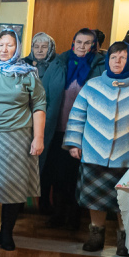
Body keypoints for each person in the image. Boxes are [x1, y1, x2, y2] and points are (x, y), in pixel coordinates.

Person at [64, 42, 129, 253]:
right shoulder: (92, 85)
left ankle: (124, 241)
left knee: (126, 200)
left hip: (128, 157)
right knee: (94, 199)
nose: (117, 61)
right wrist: (73, 143)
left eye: (122, 57)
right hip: (93, 153)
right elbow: (77, 115)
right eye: (113, 57)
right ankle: (96, 235)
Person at [0, 30, 47, 250]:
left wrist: (38, 137)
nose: (4, 49)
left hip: (19, 137)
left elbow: (39, 105)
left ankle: (7, 232)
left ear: (18, 48)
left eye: (10, 45)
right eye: (1, 45)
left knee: (14, 187)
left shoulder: (28, 74)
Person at [40, 28, 105, 229]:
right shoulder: (59, 63)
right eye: (79, 42)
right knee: (58, 175)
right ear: (73, 43)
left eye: (87, 43)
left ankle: (75, 217)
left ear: (94, 46)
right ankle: (58, 214)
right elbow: (43, 94)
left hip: (84, 134)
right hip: (57, 129)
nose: (82, 47)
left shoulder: (100, 67)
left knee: (77, 176)